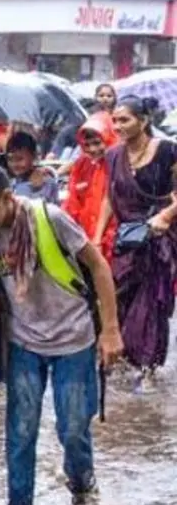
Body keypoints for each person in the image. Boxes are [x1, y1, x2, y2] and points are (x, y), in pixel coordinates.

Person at [0, 161, 122, 505]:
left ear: (6, 198)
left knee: (73, 426)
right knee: (21, 432)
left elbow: (98, 268)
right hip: (23, 342)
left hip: (74, 339)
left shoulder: (51, 218)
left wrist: (110, 330)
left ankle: (83, 493)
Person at [102, 97, 177, 376]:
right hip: (127, 240)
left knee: (150, 305)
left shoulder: (168, 151)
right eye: (116, 120)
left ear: (143, 121)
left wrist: (166, 216)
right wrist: (98, 237)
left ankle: (147, 368)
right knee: (119, 299)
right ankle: (123, 363)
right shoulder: (112, 156)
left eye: (125, 120)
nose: (118, 126)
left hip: (160, 239)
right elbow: (110, 198)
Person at [64, 112, 118, 261]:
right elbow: (72, 201)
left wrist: (99, 239)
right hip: (86, 239)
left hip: (113, 240)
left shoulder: (119, 163)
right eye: (87, 145)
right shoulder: (82, 164)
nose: (93, 149)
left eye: (97, 142)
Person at [6, 131, 59, 203]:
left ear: (33, 156)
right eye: (10, 159)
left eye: (19, 159)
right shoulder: (11, 184)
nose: (14, 164)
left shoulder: (46, 182)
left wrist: (37, 190)